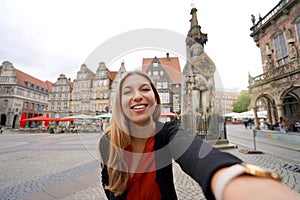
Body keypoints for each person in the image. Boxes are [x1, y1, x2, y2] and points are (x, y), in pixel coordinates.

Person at [98, 71, 300, 200]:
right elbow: (107, 181)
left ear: (155, 99)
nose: (137, 96)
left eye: (145, 89)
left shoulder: (167, 134)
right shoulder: (108, 141)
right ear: (119, 103)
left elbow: (194, 152)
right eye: (128, 92)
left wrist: (231, 178)